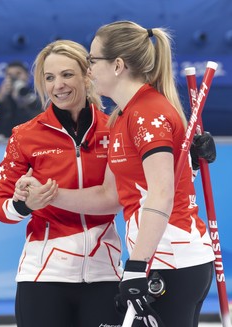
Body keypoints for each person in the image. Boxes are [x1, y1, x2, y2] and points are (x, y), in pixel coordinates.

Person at [16, 21, 216, 327]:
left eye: (93, 60)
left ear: (118, 65)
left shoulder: (146, 112)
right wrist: (47, 195)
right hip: (160, 257)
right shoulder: (122, 115)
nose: (89, 69)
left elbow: (161, 193)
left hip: (170, 257)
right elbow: (109, 195)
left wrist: (136, 265)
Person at [0, 40, 123, 326]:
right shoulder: (25, 135)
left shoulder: (114, 128)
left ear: (87, 75)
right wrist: (24, 205)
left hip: (104, 272)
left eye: (66, 75)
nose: (58, 85)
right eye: (49, 78)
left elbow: (129, 190)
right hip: (44, 275)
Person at [0, 61, 42, 137]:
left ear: (27, 76)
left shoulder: (34, 99)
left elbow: (38, 125)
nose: (14, 78)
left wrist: (21, 102)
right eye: (9, 75)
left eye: (18, 74)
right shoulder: (1, 100)